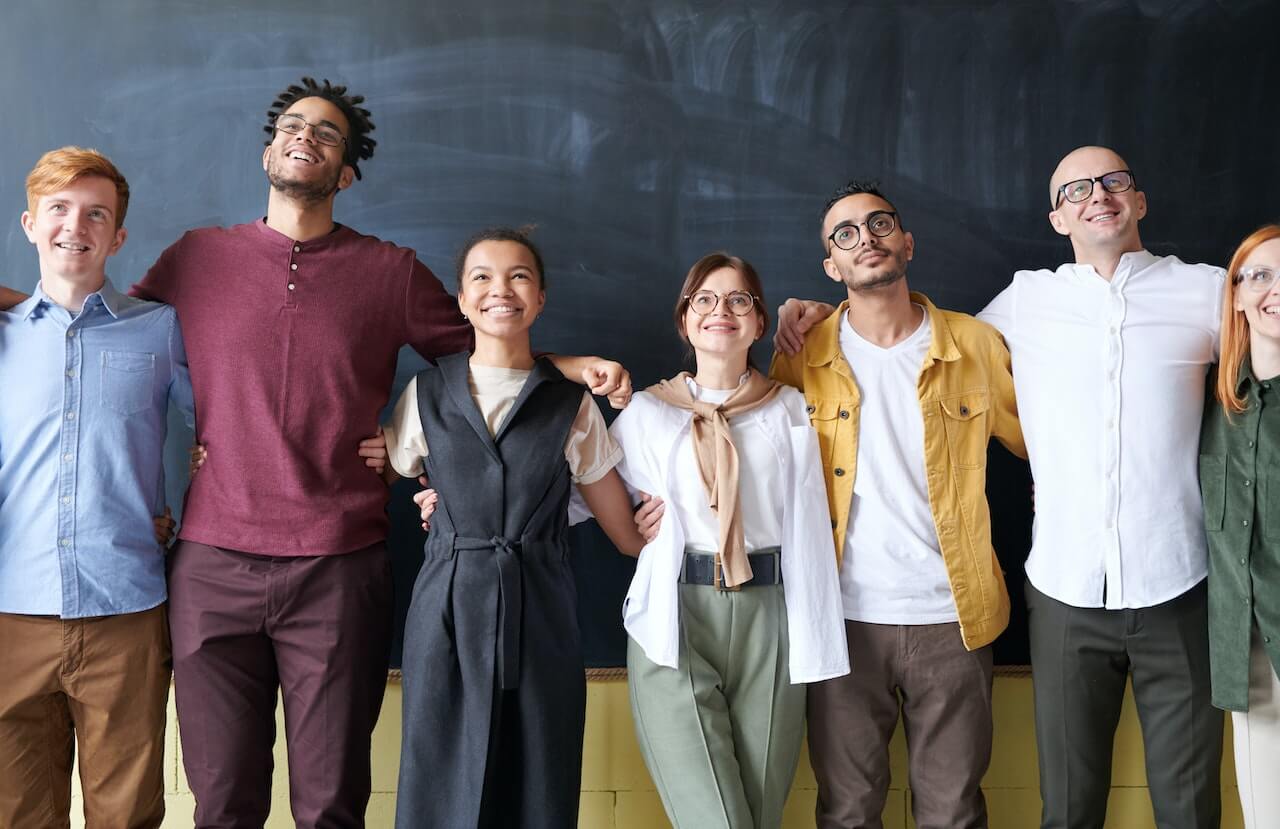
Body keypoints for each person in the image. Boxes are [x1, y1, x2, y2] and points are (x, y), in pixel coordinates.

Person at [79, 77, 624, 827]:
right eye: (294, 125)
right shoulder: (196, 258)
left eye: (328, 133)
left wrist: (573, 368)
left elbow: (488, 346)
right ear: (270, 147)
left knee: (331, 803)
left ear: (347, 172)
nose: (306, 136)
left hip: (339, 566)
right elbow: (108, 325)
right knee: (221, 802)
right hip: (211, 564)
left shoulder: (390, 272)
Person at [768, 181, 1023, 828]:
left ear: (906, 241)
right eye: (845, 233)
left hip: (954, 618)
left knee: (954, 811)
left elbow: (1044, 447)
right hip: (842, 618)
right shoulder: (801, 358)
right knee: (848, 811)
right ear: (832, 265)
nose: (867, 238)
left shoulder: (975, 344)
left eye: (879, 224)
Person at [381, 227, 646, 828]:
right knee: (440, 770)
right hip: (446, 604)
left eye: (519, 276)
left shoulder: (571, 404)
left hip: (541, 605)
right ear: (460, 299)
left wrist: (661, 525)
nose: (501, 289)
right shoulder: (425, 394)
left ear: (542, 298)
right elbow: (381, 469)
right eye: (482, 276)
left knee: (538, 773)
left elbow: (623, 532)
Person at [608, 251, 848, 829]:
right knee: (716, 818)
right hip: (677, 611)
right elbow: (574, 489)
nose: (722, 311)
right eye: (705, 301)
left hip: (772, 615)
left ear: (760, 322)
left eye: (740, 300)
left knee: (760, 812)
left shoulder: (790, 407)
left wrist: (816, 311)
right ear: (685, 320)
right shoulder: (646, 412)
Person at [0, 147, 194, 828]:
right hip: (9, 616)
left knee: (129, 814)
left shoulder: (162, 332)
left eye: (95, 213)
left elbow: (235, 430)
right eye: (57, 208)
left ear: (118, 236)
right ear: (29, 223)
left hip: (127, 613)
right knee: (18, 812)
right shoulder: (0, 339)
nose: (73, 226)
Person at [1200, 224, 1280, 829]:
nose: (1274, 289)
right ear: (1235, 296)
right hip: (1249, 662)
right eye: (1260, 274)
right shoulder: (1213, 405)